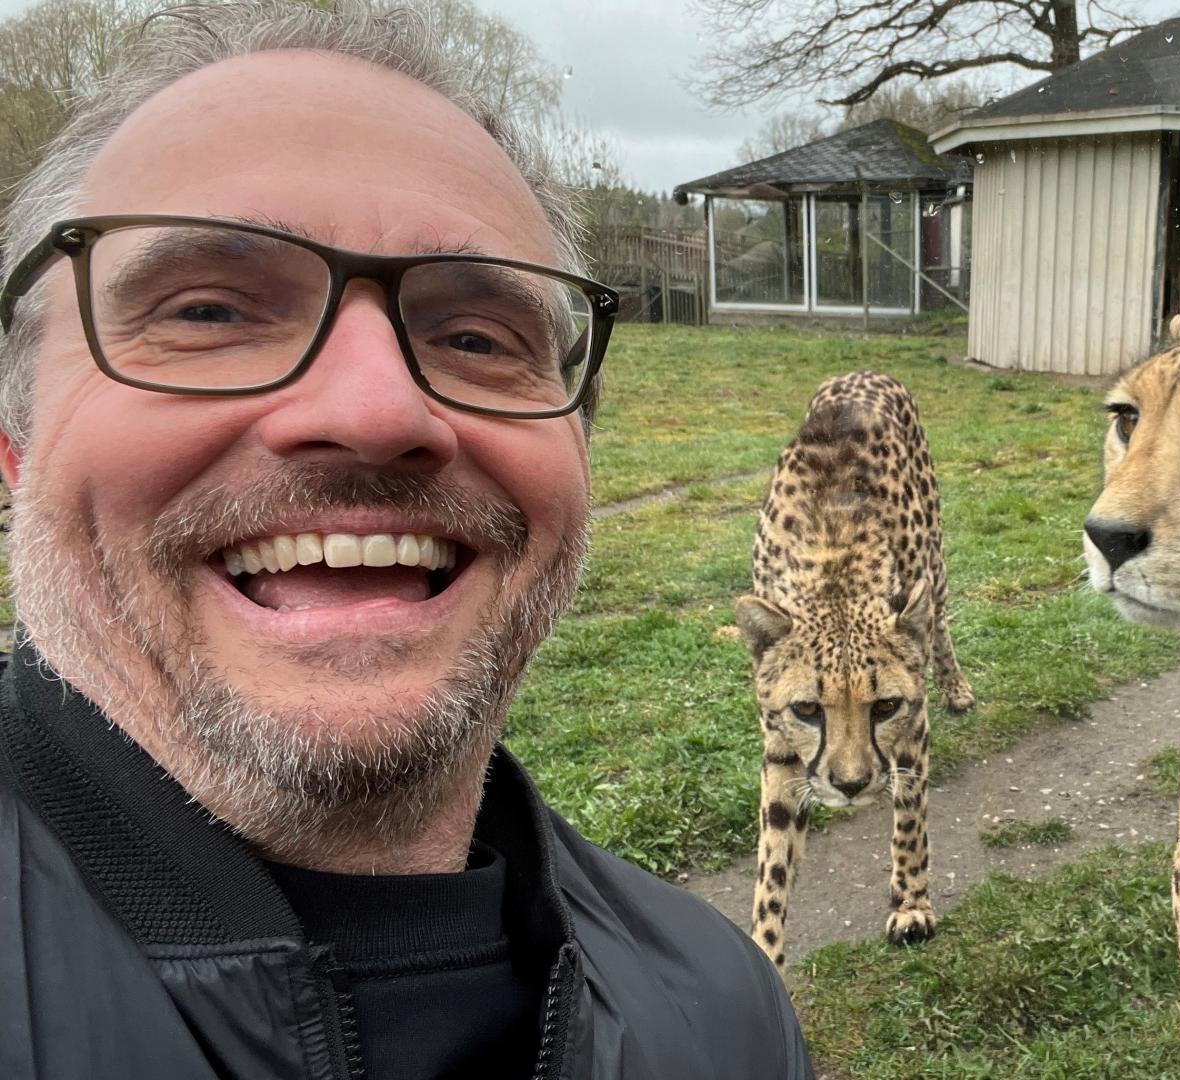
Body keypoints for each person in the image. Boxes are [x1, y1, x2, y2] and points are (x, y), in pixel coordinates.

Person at [0, 3, 813, 1077]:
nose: (379, 409)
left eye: (476, 337)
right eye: (209, 314)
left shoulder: (725, 1013)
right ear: (15, 447)